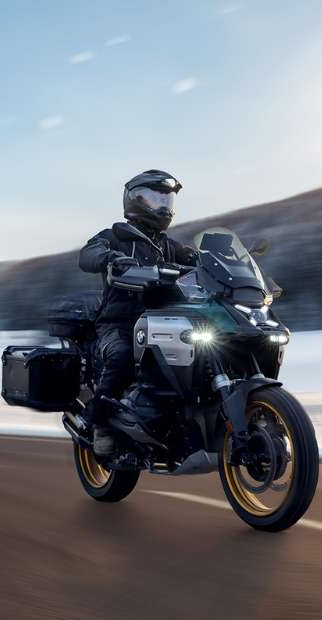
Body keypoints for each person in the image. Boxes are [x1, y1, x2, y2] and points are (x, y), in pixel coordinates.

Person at [77, 169, 199, 456]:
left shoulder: (168, 245)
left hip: (164, 322)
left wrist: (211, 261)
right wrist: (109, 258)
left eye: (167, 200)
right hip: (119, 323)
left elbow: (195, 260)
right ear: (136, 201)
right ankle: (95, 422)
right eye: (156, 199)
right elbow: (87, 254)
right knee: (120, 358)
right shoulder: (116, 236)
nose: (164, 206)